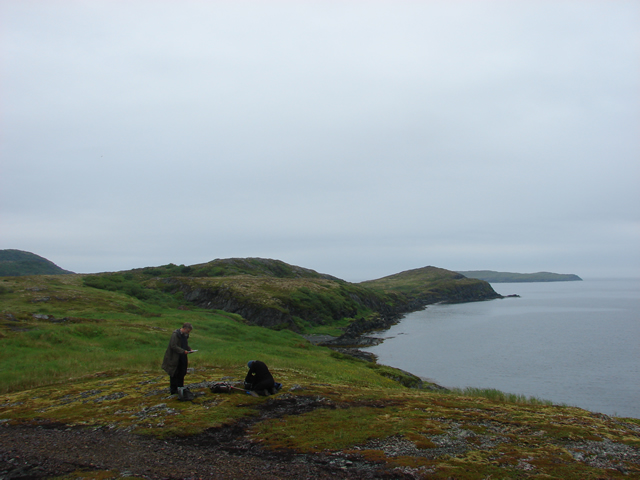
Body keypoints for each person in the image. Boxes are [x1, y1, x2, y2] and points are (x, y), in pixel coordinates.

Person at [162, 322, 193, 394]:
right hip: (175, 358)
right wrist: (183, 351)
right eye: (188, 331)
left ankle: (180, 388)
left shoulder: (185, 335)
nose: (188, 333)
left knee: (182, 372)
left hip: (183, 357)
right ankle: (173, 390)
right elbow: (173, 346)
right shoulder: (175, 334)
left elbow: (185, 344)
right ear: (184, 328)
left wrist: (189, 349)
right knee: (174, 373)